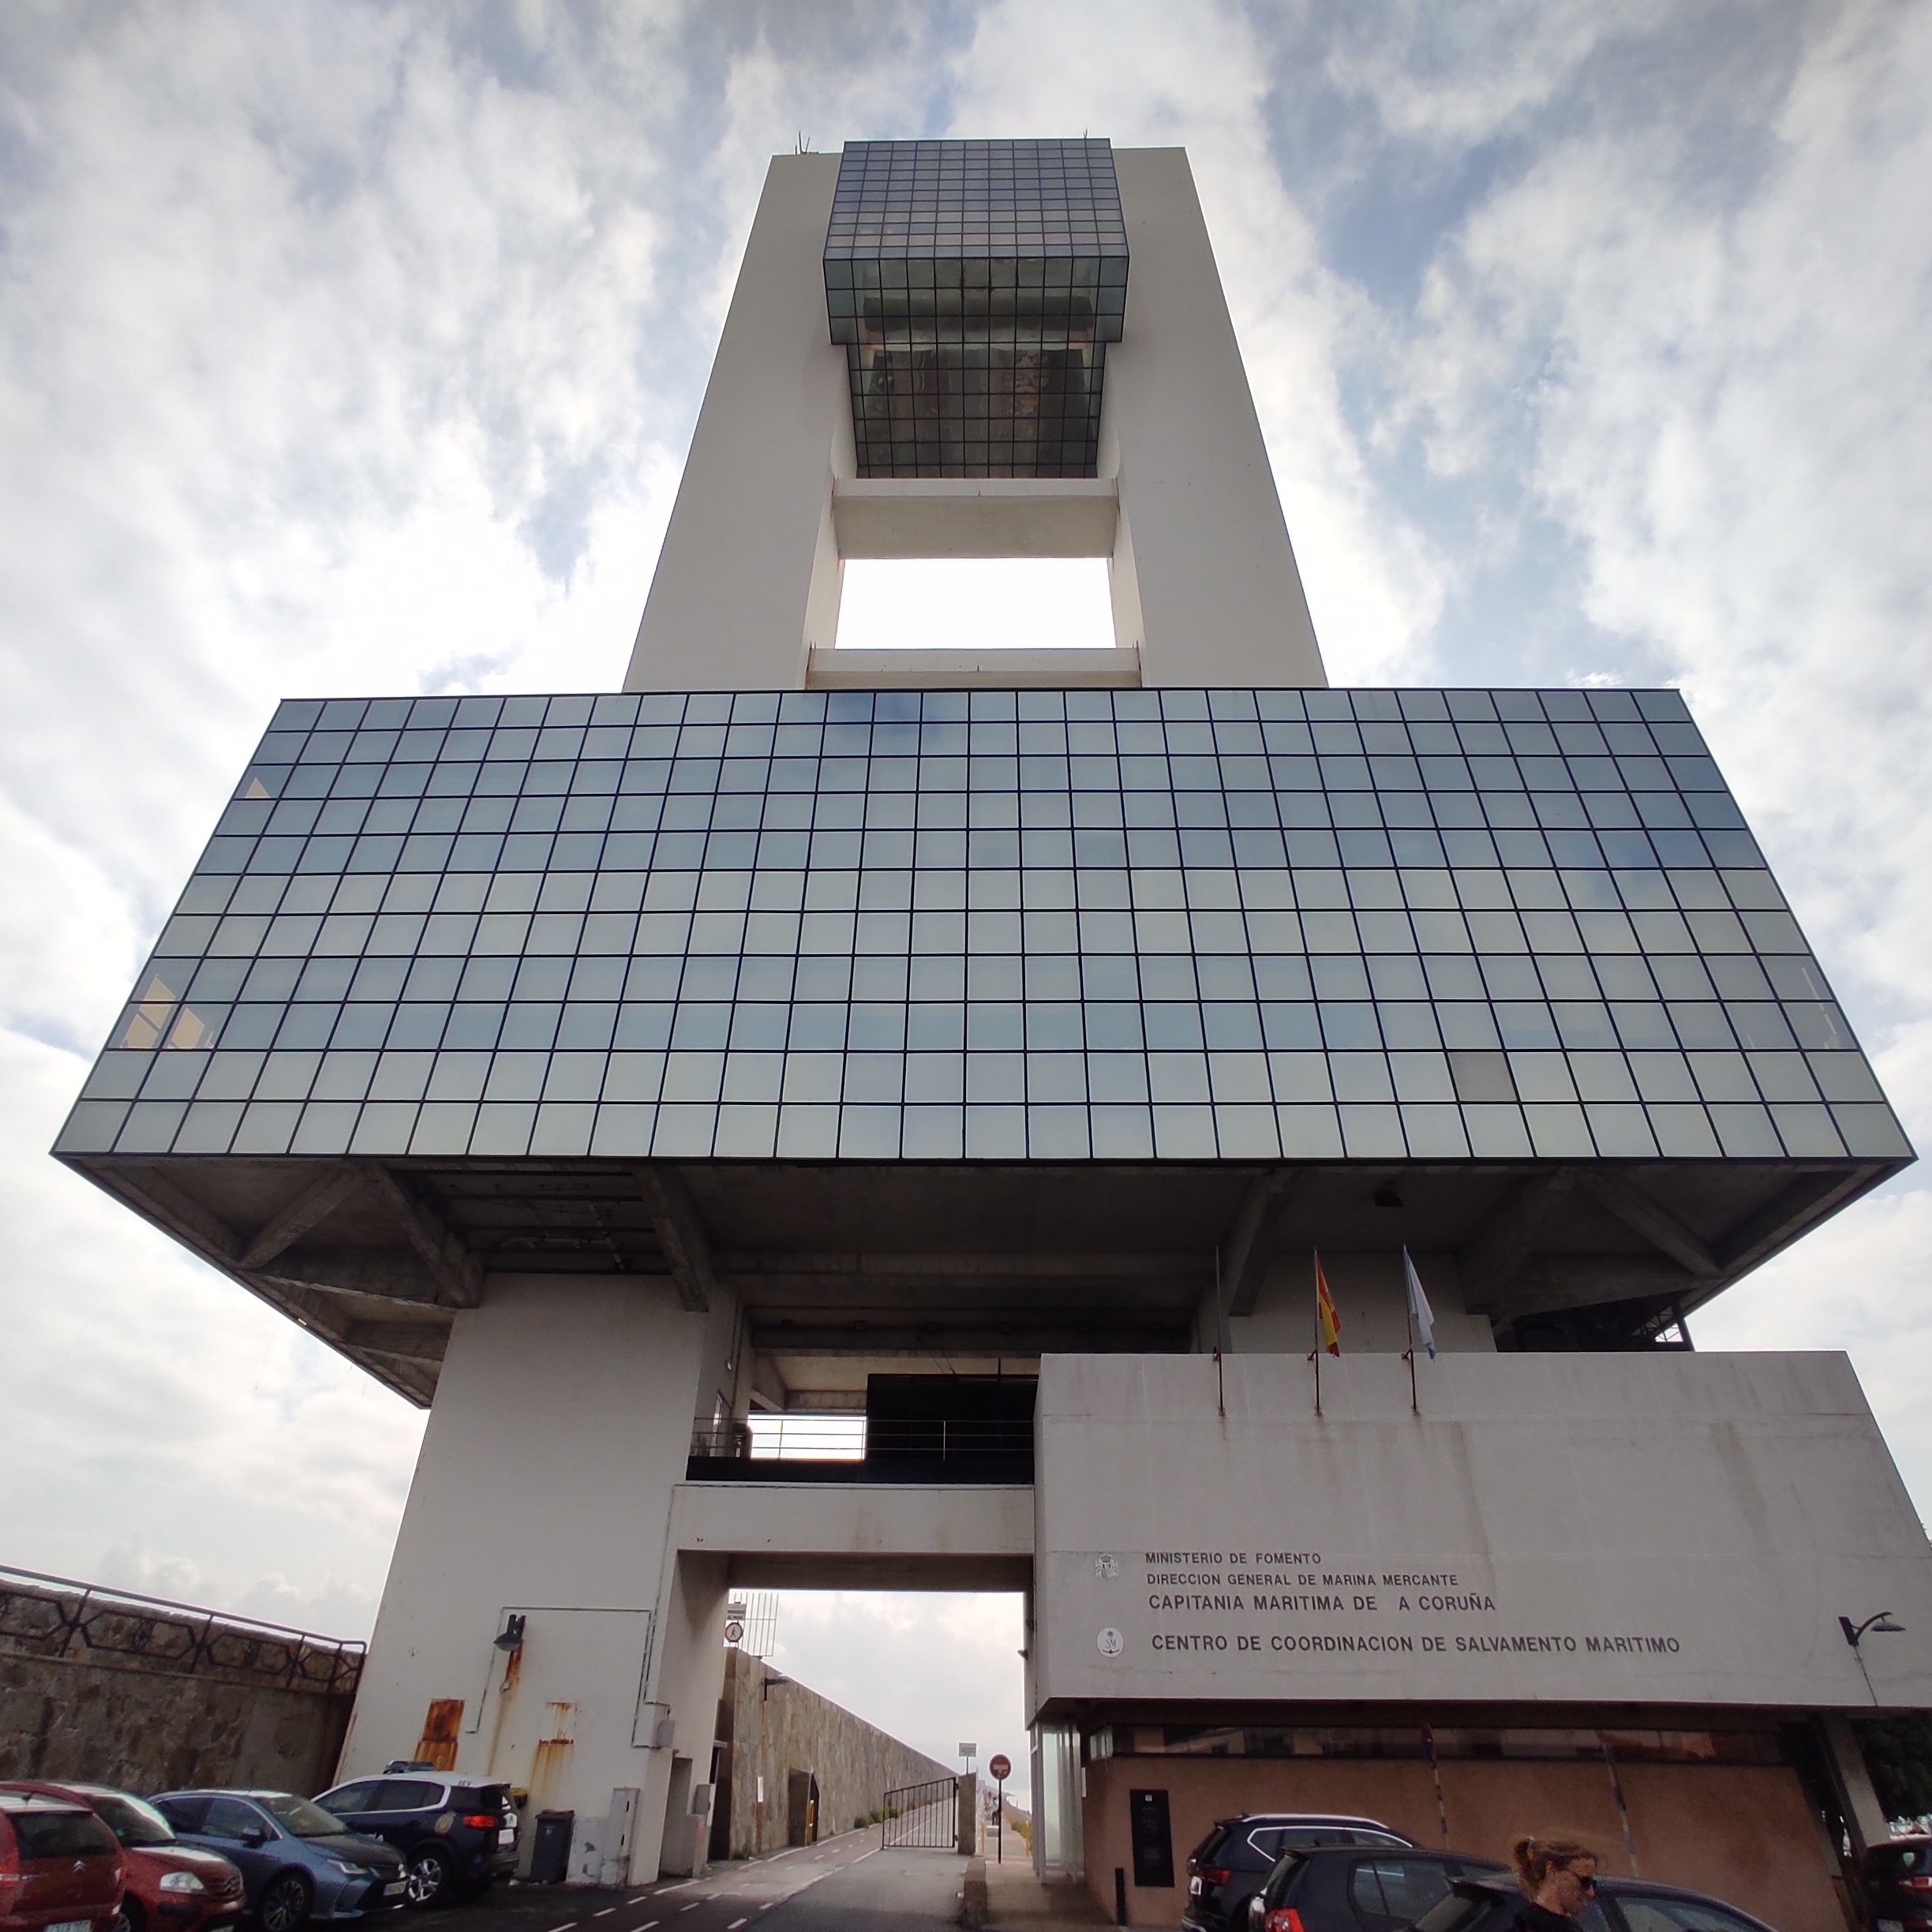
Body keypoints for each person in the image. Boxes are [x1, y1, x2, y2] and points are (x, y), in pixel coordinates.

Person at [1507, 1831, 1602, 1931]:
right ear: (1552, 1869)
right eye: (1585, 1881)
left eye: (1593, 1884)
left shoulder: (1572, 1928)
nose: (1591, 1893)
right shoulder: (1527, 1926)